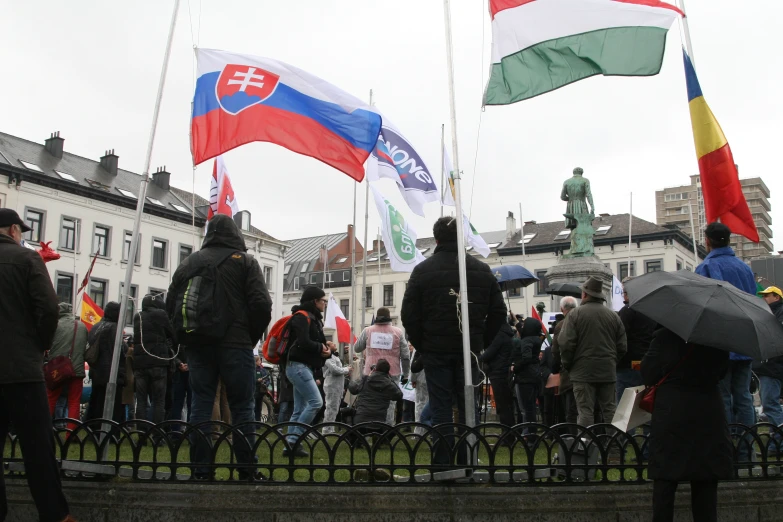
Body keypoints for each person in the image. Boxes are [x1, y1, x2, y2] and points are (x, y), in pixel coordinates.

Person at [166, 214, 272, 481]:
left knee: (200, 403)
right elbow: (261, 304)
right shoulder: (245, 262)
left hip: (199, 343)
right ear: (235, 234)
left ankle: (201, 468)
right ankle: (246, 468)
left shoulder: (189, 263)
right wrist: (250, 337)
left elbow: (170, 305)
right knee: (242, 405)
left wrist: (186, 337)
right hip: (236, 343)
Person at [401, 216, 507, 466]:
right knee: (467, 403)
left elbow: (409, 314)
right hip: (467, 349)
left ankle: (444, 460)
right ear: (461, 237)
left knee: (441, 406)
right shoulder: (482, 270)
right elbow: (499, 313)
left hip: (437, 350)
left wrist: (424, 343)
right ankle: (467, 457)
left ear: (436, 238)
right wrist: (480, 341)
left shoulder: (422, 271)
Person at [0, 209, 74, 522]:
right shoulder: (27, 259)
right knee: (38, 448)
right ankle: (54, 515)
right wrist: (40, 344)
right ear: (14, 229)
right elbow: (48, 308)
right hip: (20, 369)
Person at [641, 328, 733, 522]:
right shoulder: (716, 336)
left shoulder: (665, 335)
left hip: (673, 410)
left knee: (665, 478)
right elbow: (722, 371)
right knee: (705, 479)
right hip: (708, 410)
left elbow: (648, 372)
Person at [695, 222, 757, 461]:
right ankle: (746, 451)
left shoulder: (707, 266)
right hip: (745, 340)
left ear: (708, 241)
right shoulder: (744, 268)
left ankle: (726, 450)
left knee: (724, 398)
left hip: (719, 342)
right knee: (744, 397)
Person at [558, 277, 627, 427]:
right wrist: (611, 362)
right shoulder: (614, 316)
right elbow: (622, 346)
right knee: (610, 411)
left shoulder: (574, 315)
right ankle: (614, 448)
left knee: (585, 412)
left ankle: (586, 447)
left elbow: (566, 344)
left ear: (584, 294)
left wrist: (569, 365)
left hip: (582, 371)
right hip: (607, 370)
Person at [284, 286, 332, 457]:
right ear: (314, 301)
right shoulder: (302, 317)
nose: (325, 303)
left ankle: (289, 447)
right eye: (322, 300)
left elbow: (312, 344)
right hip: (297, 367)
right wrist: (321, 347)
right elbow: (304, 342)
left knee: (299, 408)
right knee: (316, 402)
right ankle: (292, 441)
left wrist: (325, 350)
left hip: (302, 367)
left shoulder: (312, 318)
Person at [354, 306, 410, 424]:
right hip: (392, 373)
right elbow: (405, 356)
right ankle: (386, 432)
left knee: (368, 402)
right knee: (390, 404)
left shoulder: (368, 330)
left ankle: (367, 429)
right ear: (389, 317)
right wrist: (405, 375)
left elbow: (357, 348)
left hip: (371, 372)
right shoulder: (398, 332)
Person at [133, 294, 176, 430]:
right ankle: (158, 434)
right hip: (158, 361)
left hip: (140, 363)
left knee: (141, 400)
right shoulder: (161, 314)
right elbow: (172, 333)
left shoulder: (137, 317)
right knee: (158, 401)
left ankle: (141, 433)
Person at [47, 302, 88, 431]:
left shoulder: (54, 325)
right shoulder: (81, 326)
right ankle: (71, 433)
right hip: (76, 369)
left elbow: (47, 344)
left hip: (57, 368)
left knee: (51, 398)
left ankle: (45, 429)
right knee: (74, 401)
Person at [86, 301, 127, 423]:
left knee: (96, 401)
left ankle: (92, 427)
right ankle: (110, 431)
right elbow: (119, 351)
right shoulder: (115, 328)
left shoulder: (96, 326)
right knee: (112, 405)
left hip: (96, 370)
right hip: (111, 371)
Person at [755, 286, 783, 455]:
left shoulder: (777, 315)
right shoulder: (773, 314)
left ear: (776, 297)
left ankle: (779, 444)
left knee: (771, 405)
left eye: (767, 295)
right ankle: (775, 445)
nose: (764, 298)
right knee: (771, 405)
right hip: (770, 367)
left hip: (772, 367)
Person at [478, 318, 516, 428]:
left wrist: (476, 358)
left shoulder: (501, 335)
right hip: (502, 371)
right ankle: (509, 431)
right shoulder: (507, 334)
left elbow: (490, 352)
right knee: (505, 404)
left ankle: (507, 433)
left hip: (498, 372)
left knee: (502, 405)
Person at [511, 318, 544, 432]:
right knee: (531, 408)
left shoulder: (526, 340)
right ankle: (530, 433)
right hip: (534, 375)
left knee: (526, 408)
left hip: (525, 377)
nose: (523, 327)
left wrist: (515, 367)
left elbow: (526, 358)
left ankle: (530, 435)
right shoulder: (536, 339)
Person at [348, 359, 404, 425]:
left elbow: (353, 389)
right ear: (387, 372)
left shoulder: (365, 380)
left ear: (375, 369)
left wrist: (364, 378)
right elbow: (399, 395)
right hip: (379, 422)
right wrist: (390, 378)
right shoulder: (389, 384)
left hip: (360, 421)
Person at [551, 297, 578, 426]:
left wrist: (561, 366)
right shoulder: (584, 320)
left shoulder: (561, 325)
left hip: (569, 373)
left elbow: (556, 351)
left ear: (562, 309)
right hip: (589, 371)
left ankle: (574, 441)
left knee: (571, 411)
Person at [322, 346, 351, 434]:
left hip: (336, 386)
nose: (335, 345)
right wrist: (346, 369)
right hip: (332, 385)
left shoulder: (334, 357)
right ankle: (327, 429)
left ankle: (330, 428)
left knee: (334, 408)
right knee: (331, 407)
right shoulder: (328, 358)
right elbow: (335, 370)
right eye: (333, 344)